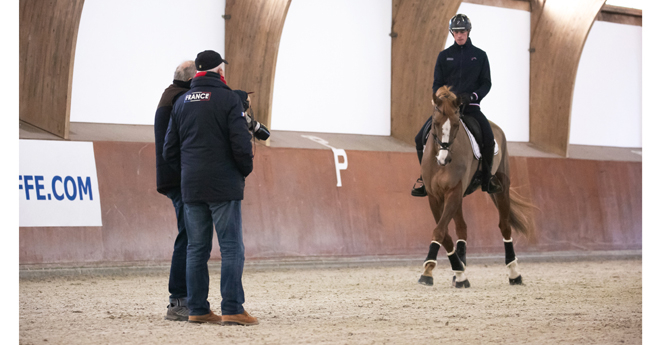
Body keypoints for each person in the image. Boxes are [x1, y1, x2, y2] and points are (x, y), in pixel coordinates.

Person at [163, 50, 258, 326]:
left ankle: (198, 310)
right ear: (220, 71)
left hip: (191, 186)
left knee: (196, 249)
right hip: (223, 185)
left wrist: (189, 171)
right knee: (231, 248)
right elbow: (241, 144)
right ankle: (232, 308)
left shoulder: (181, 102)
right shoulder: (229, 99)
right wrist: (243, 170)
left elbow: (170, 150)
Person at [411, 14, 503, 197]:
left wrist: (473, 96)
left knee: (488, 138)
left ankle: (487, 179)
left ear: (468, 32)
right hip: (448, 110)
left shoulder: (480, 56)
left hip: (471, 108)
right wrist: (441, 97)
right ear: (451, 33)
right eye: (456, 32)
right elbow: (437, 83)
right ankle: (424, 177)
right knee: (419, 138)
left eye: (462, 31)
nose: (459, 35)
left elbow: (487, 83)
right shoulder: (444, 56)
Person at [154, 60, 196, 321]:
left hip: (172, 177)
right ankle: (179, 300)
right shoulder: (181, 100)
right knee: (189, 237)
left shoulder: (169, 95)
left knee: (188, 236)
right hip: (180, 178)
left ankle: (182, 298)